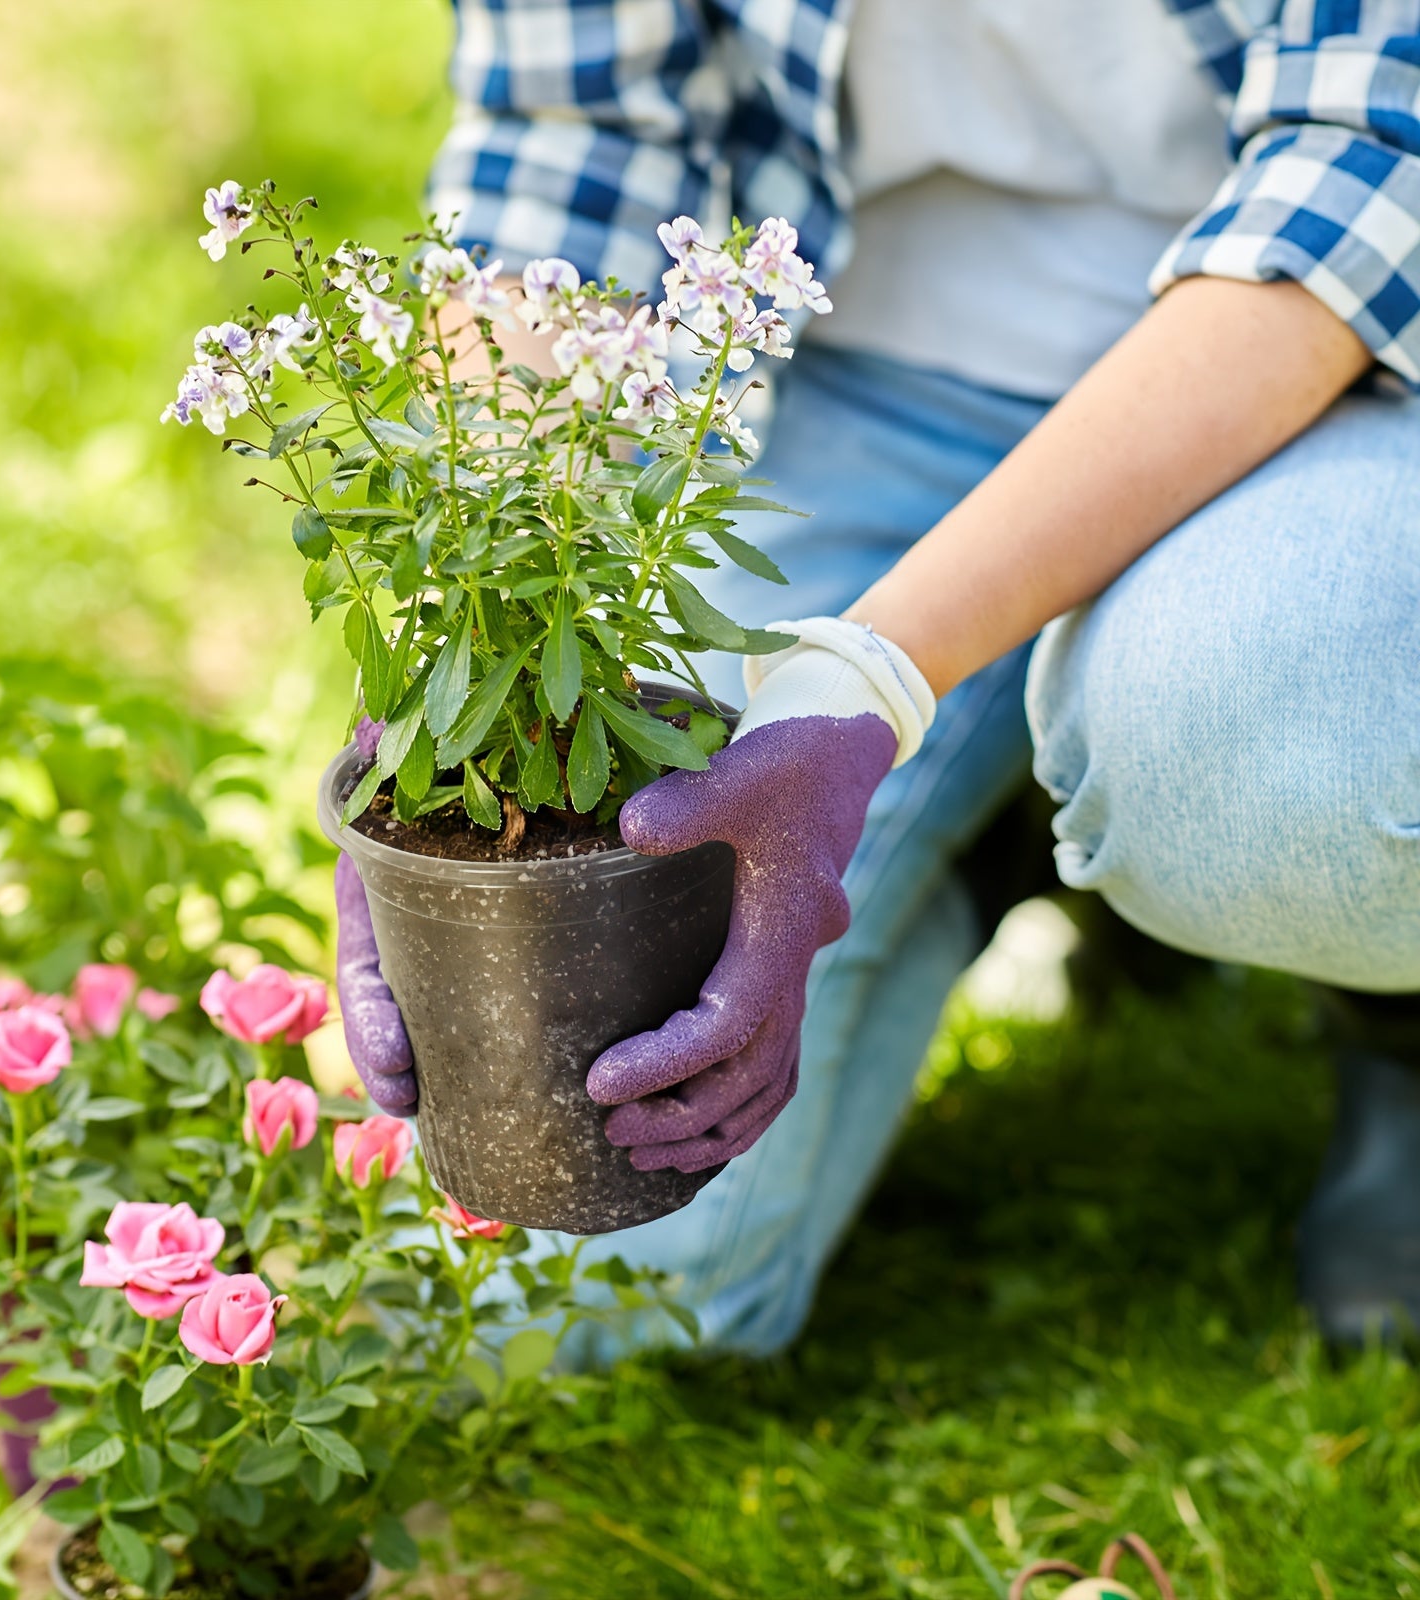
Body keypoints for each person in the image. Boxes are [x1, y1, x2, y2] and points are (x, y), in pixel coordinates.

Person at [338, 0, 1420, 1352]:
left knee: (1292, 766)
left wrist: (869, 677)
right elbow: (568, 140)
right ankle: (991, 831)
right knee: (595, 1288)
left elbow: (1373, 164)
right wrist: (466, 666)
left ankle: (1390, 1015)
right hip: (873, 370)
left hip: (1337, 369)